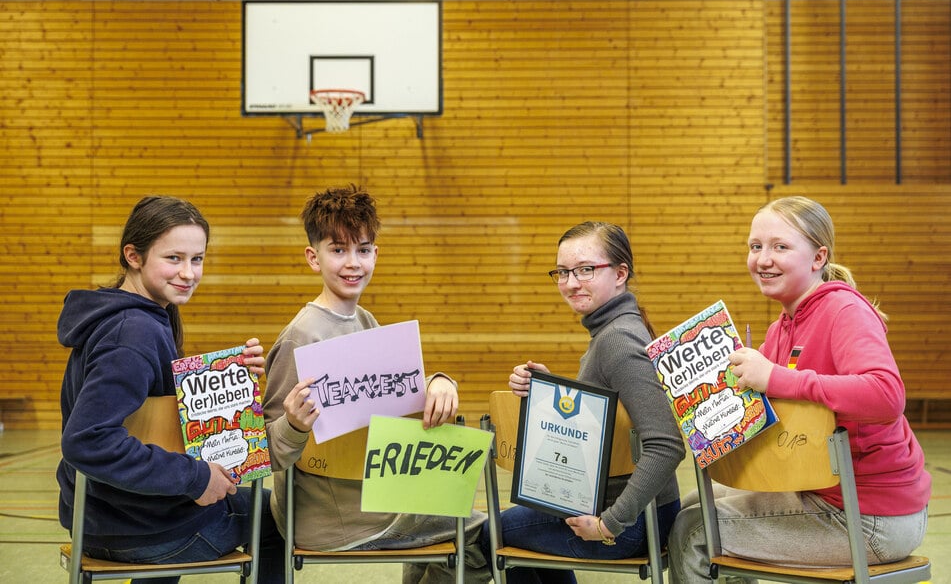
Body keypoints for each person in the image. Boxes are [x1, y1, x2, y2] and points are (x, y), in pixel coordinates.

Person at [667, 195, 932, 583]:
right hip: (821, 493)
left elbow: (887, 395)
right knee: (696, 504)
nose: (763, 259)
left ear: (818, 257)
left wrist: (774, 378)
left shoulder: (845, 311)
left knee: (695, 530)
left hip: (872, 517)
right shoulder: (781, 328)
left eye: (780, 247)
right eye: (755, 247)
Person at [261, 184, 491, 583]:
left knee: (442, 505)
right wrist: (294, 426)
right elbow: (265, 451)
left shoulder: (366, 321)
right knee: (485, 536)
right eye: (338, 250)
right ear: (313, 258)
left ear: (375, 255)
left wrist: (439, 381)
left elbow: (402, 397)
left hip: (375, 495)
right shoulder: (301, 337)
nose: (353, 263)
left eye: (363, 250)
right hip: (330, 516)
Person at [56, 195, 286, 583]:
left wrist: (230, 377)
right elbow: (87, 441)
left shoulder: (134, 317)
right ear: (134, 255)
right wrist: (193, 478)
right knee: (280, 518)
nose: (188, 273)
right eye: (174, 258)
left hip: (113, 518)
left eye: (197, 259)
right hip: (137, 528)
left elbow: (155, 413)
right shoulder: (132, 334)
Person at [480, 221, 686, 584]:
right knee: (519, 536)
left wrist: (609, 524)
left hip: (632, 518)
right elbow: (613, 416)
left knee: (485, 532)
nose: (571, 282)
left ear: (620, 273)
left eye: (586, 269)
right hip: (626, 508)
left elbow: (666, 445)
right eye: (562, 272)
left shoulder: (618, 340)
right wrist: (551, 388)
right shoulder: (613, 330)